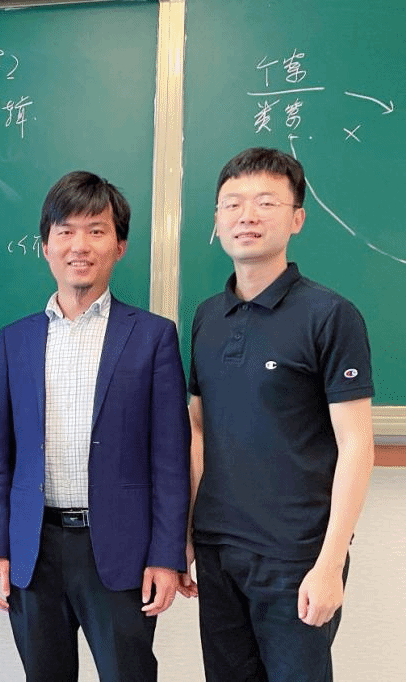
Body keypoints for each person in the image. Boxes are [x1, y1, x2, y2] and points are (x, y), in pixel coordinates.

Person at [0, 171, 191, 682]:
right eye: (66, 231)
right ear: (45, 246)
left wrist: (167, 555)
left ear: (119, 246)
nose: (80, 245)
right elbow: (0, 456)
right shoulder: (15, 340)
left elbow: (170, 458)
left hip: (120, 548)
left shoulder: (153, 337)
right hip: (35, 549)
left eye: (97, 231)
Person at [180, 147, 374, 682]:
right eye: (233, 204)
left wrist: (330, 563)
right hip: (219, 549)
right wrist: (189, 532)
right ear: (217, 219)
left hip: (296, 556)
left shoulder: (330, 315)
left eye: (266, 202)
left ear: (297, 219)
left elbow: (358, 445)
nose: (247, 216)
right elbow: (198, 427)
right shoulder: (207, 317)